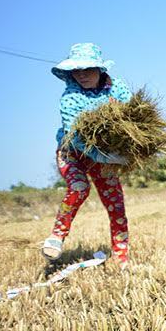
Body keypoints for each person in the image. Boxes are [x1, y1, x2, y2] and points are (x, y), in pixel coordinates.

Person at [41, 43, 132, 268]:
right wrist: (106, 158)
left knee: (116, 204)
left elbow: (132, 114)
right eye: (76, 70)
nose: (81, 75)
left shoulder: (117, 88)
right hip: (71, 152)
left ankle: (121, 257)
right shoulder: (70, 97)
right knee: (80, 187)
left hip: (104, 153)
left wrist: (125, 149)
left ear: (99, 69)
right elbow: (75, 136)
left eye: (87, 69)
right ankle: (57, 236)